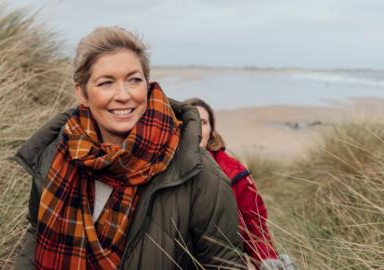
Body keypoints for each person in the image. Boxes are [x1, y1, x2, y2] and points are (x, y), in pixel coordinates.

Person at [13, 27, 244, 269]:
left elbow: (224, 264)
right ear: (82, 93)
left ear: (147, 84)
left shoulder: (199, 174)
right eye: (106, 83)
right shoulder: (56, 154)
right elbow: (37, 233)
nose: (123, 95)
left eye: (134, 80)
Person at [185, 98, 294, 270]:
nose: (197, 127)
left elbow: (255, 227)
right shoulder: (162, 168)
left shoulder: (236, 174)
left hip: (224, 263)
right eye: (191, 121)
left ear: (211, 130)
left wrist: (268, 261)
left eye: (204, 122)